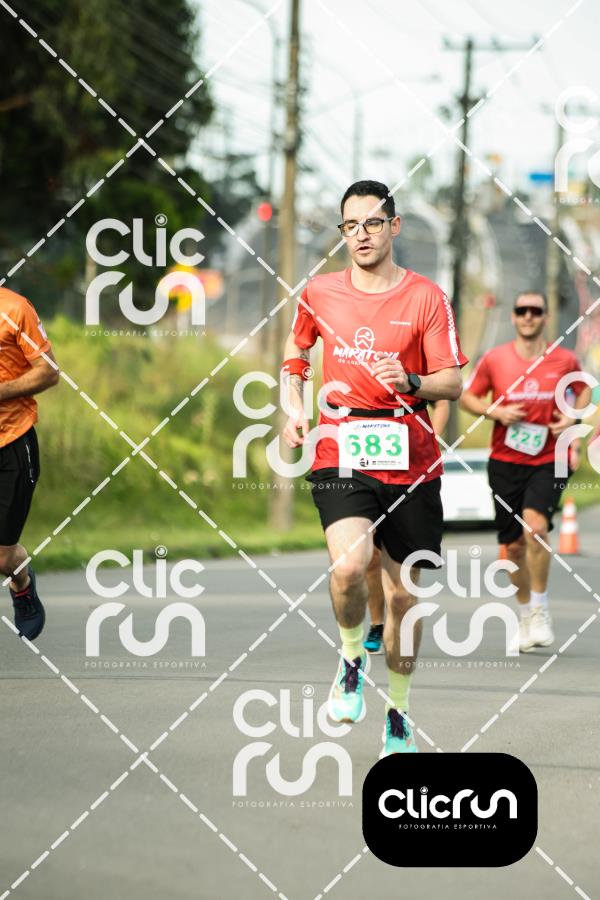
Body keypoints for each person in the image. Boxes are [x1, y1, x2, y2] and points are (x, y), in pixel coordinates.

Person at [281, 180, 467, 755]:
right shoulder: (319, 291)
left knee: (403, 599)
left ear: (394, 226)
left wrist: (411, 380)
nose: (361, 235)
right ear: (342, 232)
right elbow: (296, 356)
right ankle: (349, 659)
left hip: (412, 457)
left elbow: (452, 382)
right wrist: (293, 409)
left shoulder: (426, 298)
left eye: (372, 223)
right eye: (350, 226)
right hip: (341, 445)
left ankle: (399, 712)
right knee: (348, 565)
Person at [460, 291, 590, 652]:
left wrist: (572, 419)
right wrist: (496, 412)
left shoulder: (564, 359)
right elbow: (467, 396)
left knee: (536, 529)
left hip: (549, 458)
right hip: (505, 461)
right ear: (514, 316)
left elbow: (584, 391)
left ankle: (540, 608)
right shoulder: (495, 358)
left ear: (545, 317)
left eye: (535, 311)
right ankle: (524, 614)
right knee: (514, 545)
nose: (528, 316)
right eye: (522, 310)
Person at [364, 400, 450, 654]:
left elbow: (442, 403)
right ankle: (377, 623)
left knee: (402, 561)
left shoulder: (413, 375)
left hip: (409, 469)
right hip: (363, 466)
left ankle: (399, 617)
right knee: (371, 555)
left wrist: (431, 438)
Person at [0, 286, 59, 640]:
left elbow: (48, 372)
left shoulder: (15, 309)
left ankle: (21, 584)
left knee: (2, 557)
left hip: (11, 441)